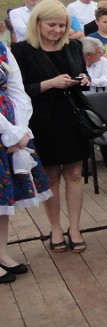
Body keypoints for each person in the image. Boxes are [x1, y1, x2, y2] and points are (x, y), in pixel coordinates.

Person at [12, 0, 91, 253]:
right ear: (37, 23)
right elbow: (19, 90)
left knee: (75, 174)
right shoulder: (21, 51)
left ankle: (75, 228)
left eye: (62, 25)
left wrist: (84, 79)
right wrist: (50, 83)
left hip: (72, 118)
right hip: (42, 121)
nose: (58, 30)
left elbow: (80, 76)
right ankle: (55, 228)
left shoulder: (75, 46)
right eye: (52, 25)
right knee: (51, 177)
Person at [0, 40, 51, 282]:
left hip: (9, 133)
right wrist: (8, 131)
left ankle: (1, 253)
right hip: (4, 131)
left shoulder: (1, 48)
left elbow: (16, 88)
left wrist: (20, 129)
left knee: (2, 199)